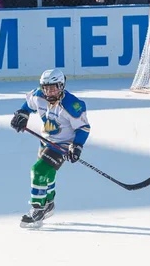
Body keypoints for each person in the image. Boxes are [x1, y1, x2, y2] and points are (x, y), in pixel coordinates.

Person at [10, 70, 90, 229]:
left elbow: (83, 128)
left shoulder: (73, 106)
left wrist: (77, 146)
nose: (49, 91)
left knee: (38, 171)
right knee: (48, 173)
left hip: (63, 144)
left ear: (61, 86)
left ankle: (37, 208)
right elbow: (28, 105)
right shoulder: (38, 95)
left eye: (53, 88)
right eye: (46, 88)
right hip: (45, 140)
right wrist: (22, 114)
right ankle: (49, 204)